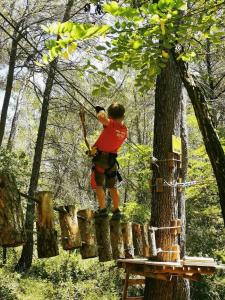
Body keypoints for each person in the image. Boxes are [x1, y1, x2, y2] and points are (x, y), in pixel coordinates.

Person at [91, 103, 128, 219]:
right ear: (123, 116)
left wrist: (101, 110)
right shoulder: (124, 130)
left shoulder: (111, 124)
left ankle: (102, 209)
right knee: (112, 187)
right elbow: (111, 135)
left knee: (99, 184)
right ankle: (116, 210)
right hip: (112, 161)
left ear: (110, 116)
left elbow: (102, 118)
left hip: (101, 159)